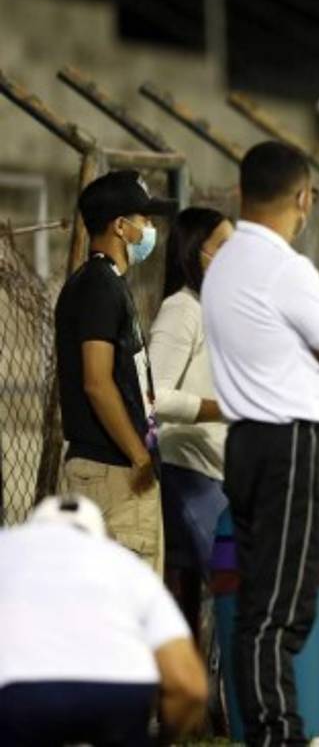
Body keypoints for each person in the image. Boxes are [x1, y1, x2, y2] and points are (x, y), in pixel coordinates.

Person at [201, 141, 319, 745]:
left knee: (265, 602)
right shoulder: (286, 268)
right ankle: (279, 734)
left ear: (239, 192)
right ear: (304, 199)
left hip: (250, 443)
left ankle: (273, 729)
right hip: (294, 445)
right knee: (279, 611)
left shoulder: (224, 263)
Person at [0, 495, 207, 745]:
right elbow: (188, 684)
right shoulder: (128, 566)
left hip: (19, 693)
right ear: (99, 534)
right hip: (119, 693)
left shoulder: (8, 547)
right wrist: (163, 739)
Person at [54, 170, 177, 574]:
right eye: (144, 220)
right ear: (121, 227)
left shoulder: (108, 284)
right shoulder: (98, 287)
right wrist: (138, 455)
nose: (150, 228)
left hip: (116, 471)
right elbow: (97, 380)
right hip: (113, 473)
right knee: (126, 616)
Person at [149, 207, 233, 635]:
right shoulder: (181, 309)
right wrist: (220, 408)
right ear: (192, 252)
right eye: (223, 247)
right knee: (234, 587)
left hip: (221, 471)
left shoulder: (217, 309)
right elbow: (154, 394)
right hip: (190, 471)